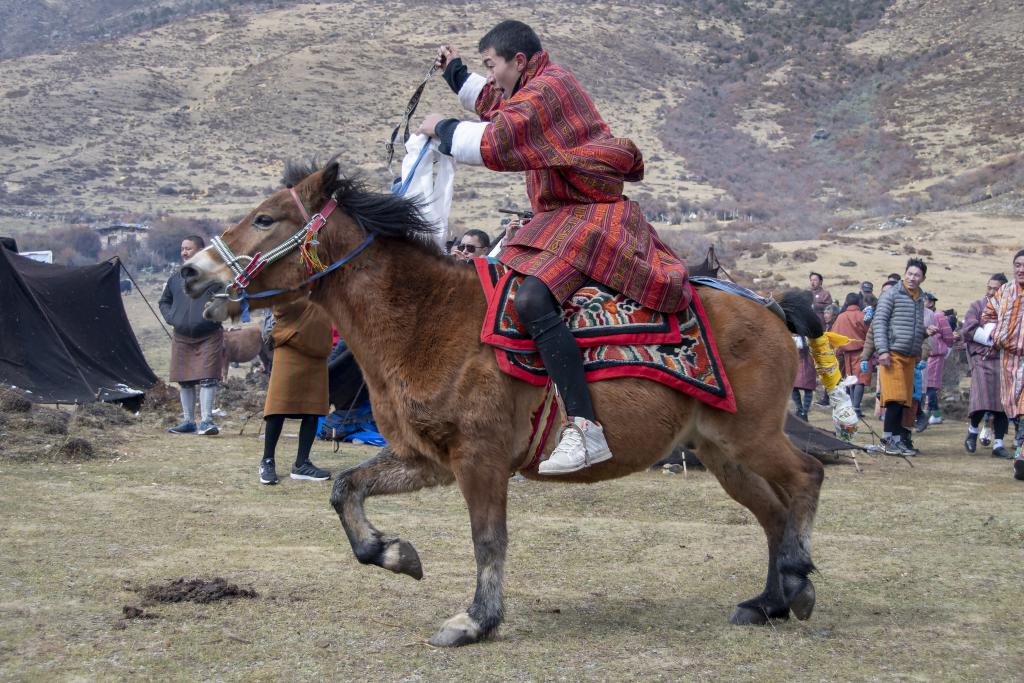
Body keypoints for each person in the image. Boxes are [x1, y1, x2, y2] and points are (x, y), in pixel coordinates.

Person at [418, 20, 690, 474]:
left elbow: (496, 140)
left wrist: (439, 126)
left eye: (492, 65)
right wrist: (456, 72)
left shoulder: (549, 90)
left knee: (531, 298)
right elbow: (494, 104)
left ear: (519, 61)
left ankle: (586, 429)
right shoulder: (533, 87)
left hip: (589, 214)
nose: (492, 75)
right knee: (496, 290)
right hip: (560, 217)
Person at [259, 296, 333, 485]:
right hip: (289, 341)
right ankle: (267, 461)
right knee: (278, 406)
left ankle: (302, 464)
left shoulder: (321, 274)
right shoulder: (287, 275)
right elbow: (279, 306)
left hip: (317, 343)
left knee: (313, 408)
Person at [159, 235, 224, 436]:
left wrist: (211, 317)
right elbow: (164, 301)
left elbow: (226, 299)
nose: (184, 252)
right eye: (183, 248)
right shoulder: (176, 277)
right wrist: (173, 318)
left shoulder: (215, 276)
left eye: (188, 248)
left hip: (209, 333)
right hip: (182, 335)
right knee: (184, 379)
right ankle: (188, 421)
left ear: (200, 251)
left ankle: (206, 421)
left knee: (208, 379)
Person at [873, 259, 932, 456]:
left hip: (909, 356)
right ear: (905, 273)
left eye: (917, 275)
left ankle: (897, 440)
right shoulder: (892, 294)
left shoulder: (919, 299)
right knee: (894, 399)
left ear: (923, 278)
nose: (912, 278)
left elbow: (910, 327)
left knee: (904, 401)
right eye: (910, 273)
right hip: (892, 353)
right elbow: (879, 322)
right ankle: (887, 440)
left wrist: (924, 332)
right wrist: (882, 350)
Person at [980, 250, 1024, 479]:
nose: (1021, 269)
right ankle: (1020, 450)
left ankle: (1022, 455)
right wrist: (994, 335)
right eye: (1017, 264)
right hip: (1008, 359)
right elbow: (988, 315)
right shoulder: (1004, 292)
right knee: (1013, 407)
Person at [961, 273, 1011, 458]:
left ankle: (998, 444)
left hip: (1005, 360)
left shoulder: (1011, 308)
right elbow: (969, 329)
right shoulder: (977, 306)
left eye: (995, 289)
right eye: (989, 287)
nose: (990, 292)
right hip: (982, 358)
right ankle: (972, 432)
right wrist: (991, 340)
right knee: (982, 399)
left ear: (1004, 290)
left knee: (1002, 403)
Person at [831, 292, 868, 417]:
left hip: (845, 352)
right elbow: (870, 333)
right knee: (860, 380)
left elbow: (834, 334)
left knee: (851, 380)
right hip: (861, 351)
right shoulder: (862, 315)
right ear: (858, 302)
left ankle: (852, 406)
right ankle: (856, 407)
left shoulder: (841, 317)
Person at [922, 292, 955, 424]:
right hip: (922, 355)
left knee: (930, 386)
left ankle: (934, 414)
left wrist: (947, 348)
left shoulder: (938, 316)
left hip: (935, 355)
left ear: (930, 302)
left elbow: (948, 334)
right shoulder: (921, 314)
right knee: (925, 385)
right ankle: (933, 413)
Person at [791, 336, 816, 420]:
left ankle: (802, 411)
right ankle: (802, 411)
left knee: (806, 389)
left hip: (802, 362)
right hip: (800, 362)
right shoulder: (805, 337)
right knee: (795, 388)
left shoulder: (802, 338)